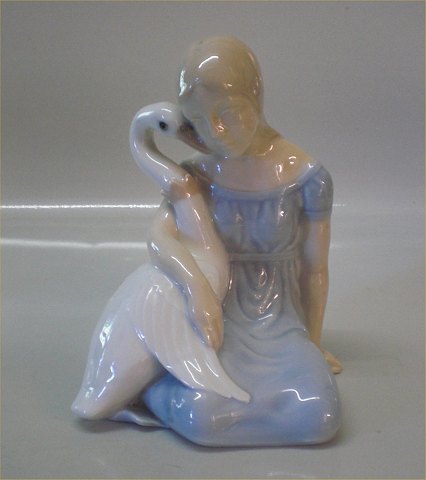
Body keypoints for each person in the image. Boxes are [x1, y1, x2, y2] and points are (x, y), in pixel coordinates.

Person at [142, 36, 341, 447]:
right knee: (202, 417)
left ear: (256, 97)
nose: (215, 132)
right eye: (198, 121)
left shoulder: (307, 177)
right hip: (214, 321)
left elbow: (315, 269)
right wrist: (196, 288)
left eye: (228, 113)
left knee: (319, 416)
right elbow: (159, 237)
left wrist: (314, 342)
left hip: (282, 326)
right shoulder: (196, 176)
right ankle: (149, 391)